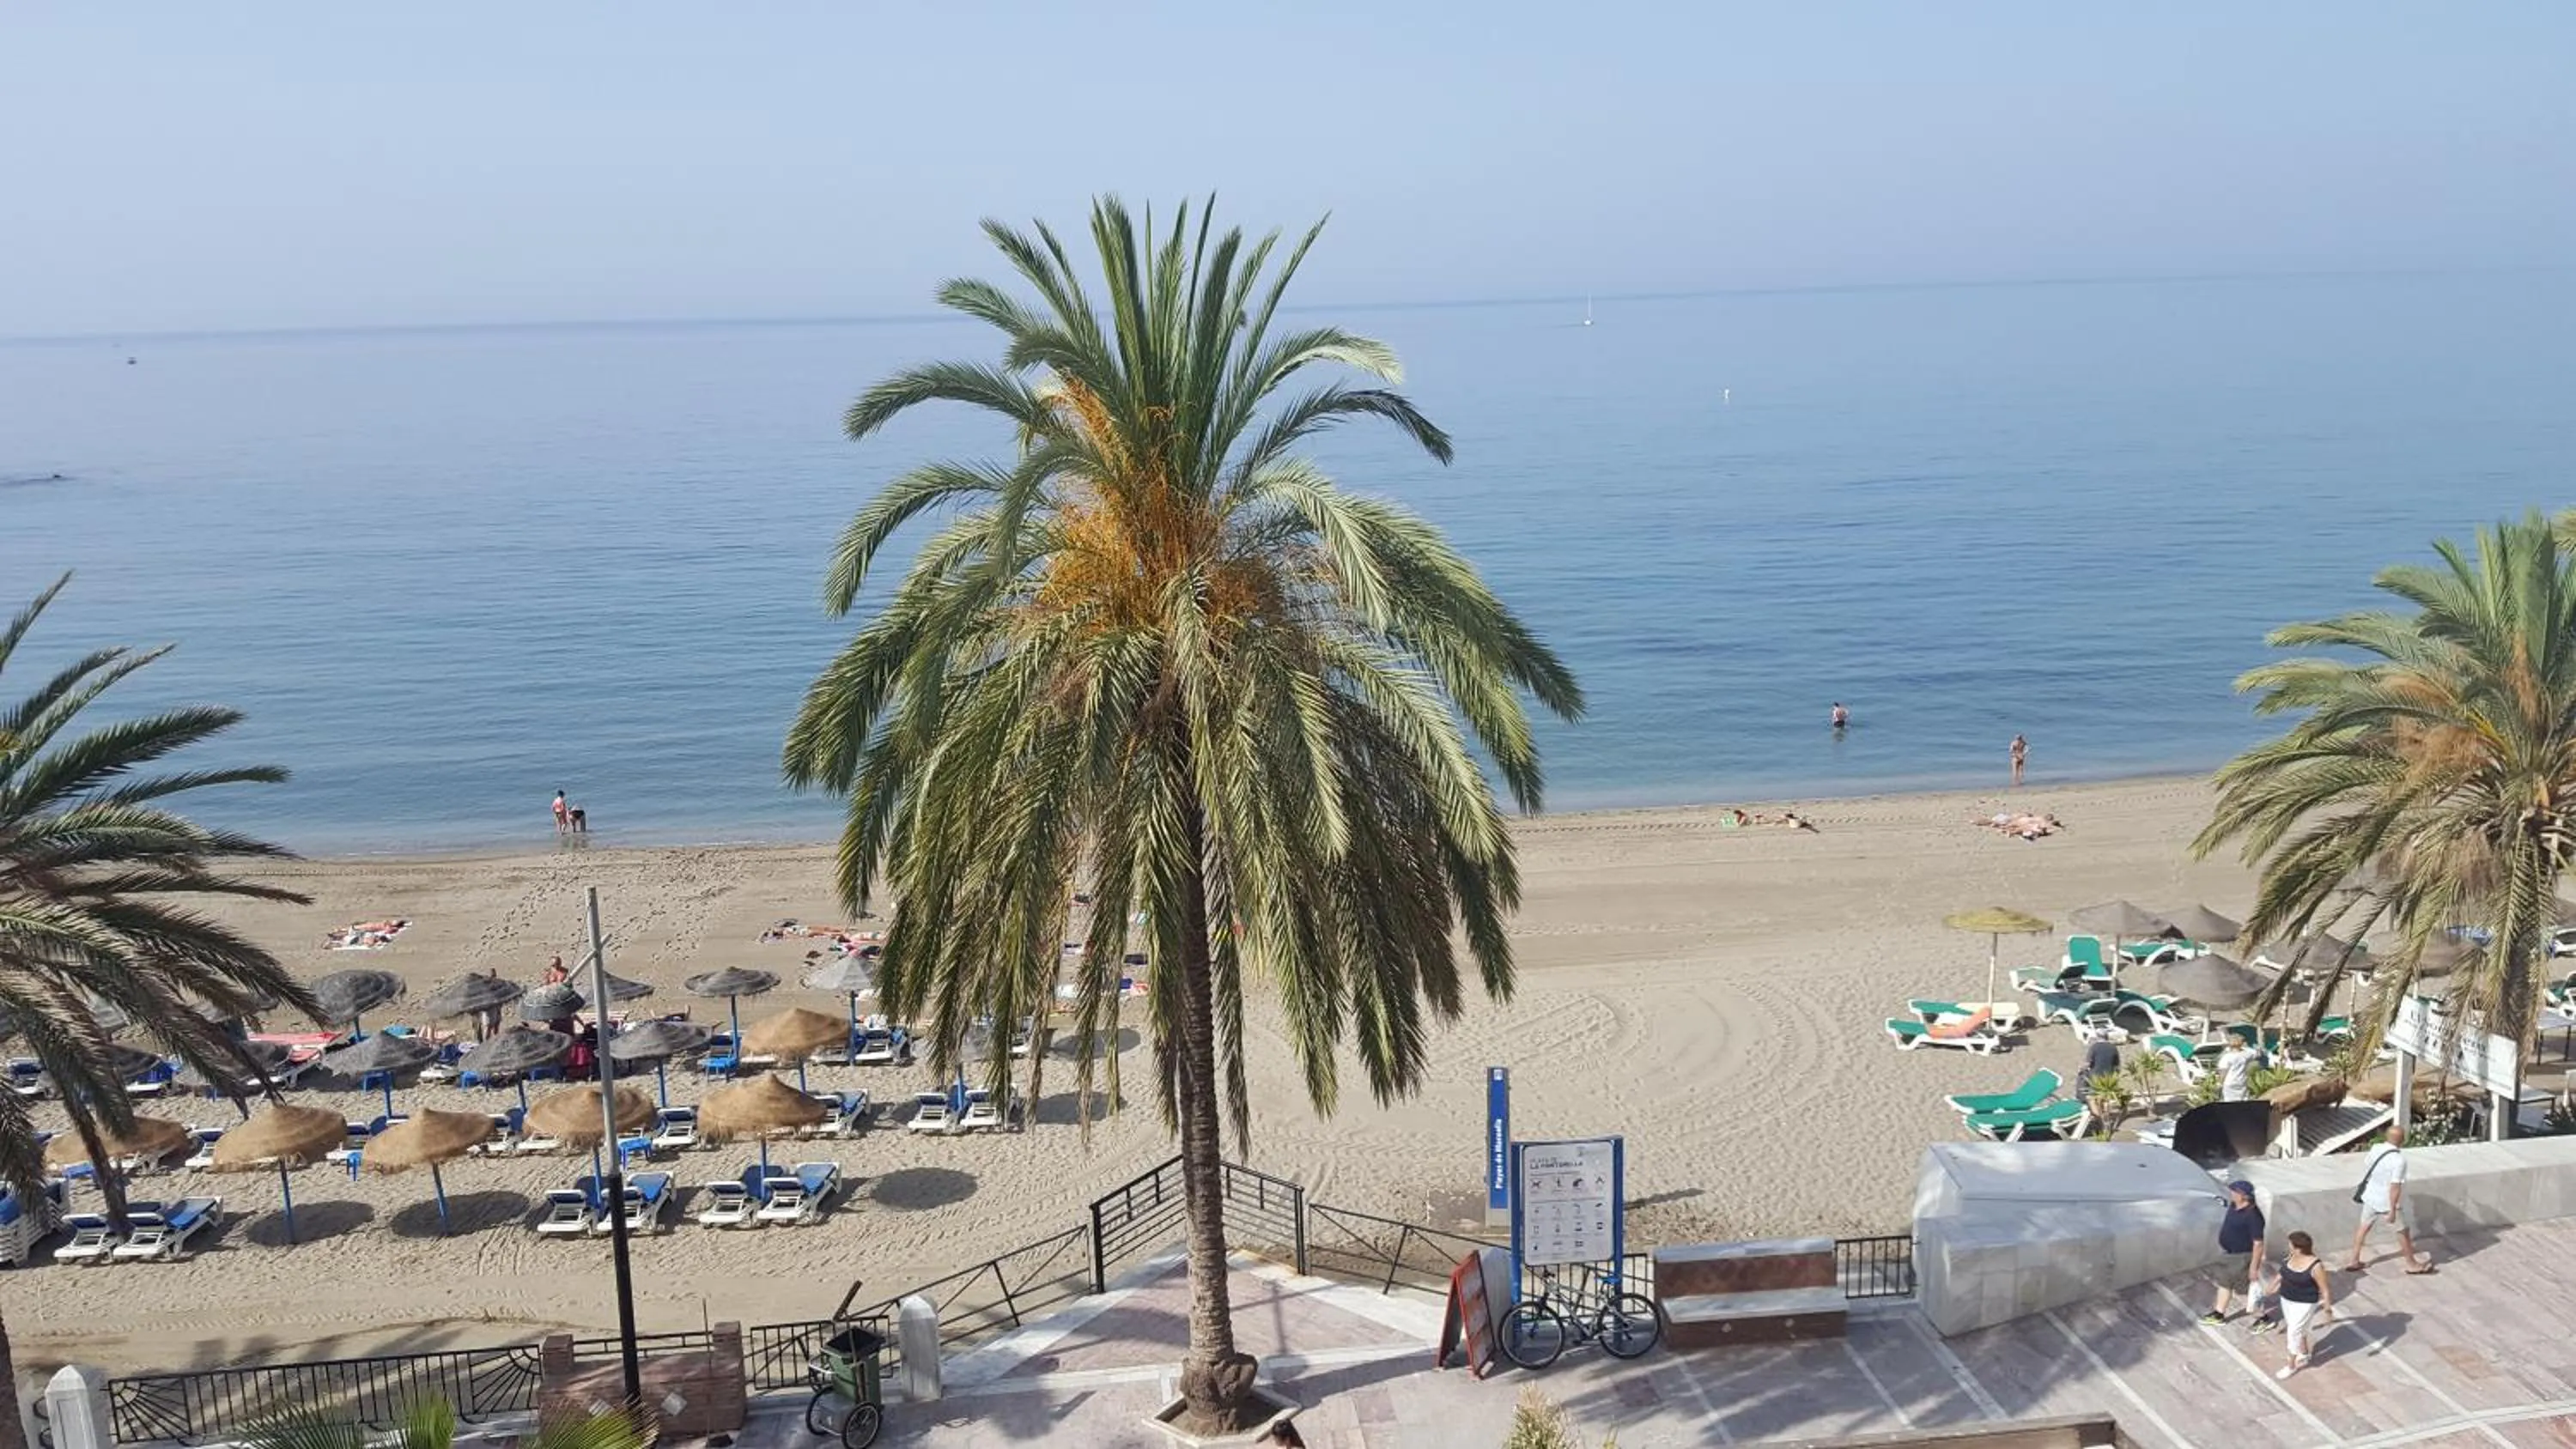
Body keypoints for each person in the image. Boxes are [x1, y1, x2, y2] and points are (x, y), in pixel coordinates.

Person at [2346, 1123, 2433, 1274]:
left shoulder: (2376, 1148)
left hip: (2370, 1196)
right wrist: (2392, 1210)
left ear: (2386, 1136)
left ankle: (2354, 1260)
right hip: (2386, 1201)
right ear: (2402, 1140)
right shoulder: (2399, 1160)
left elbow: (2368, 1165)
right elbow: (2395, 1187)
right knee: (2402, 1232)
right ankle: (2411, 1264)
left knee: (2363, 1227)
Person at [2202, 1179, 2267, 1327]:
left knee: (2243, 1291)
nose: (2231, 1193)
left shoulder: (2253, 1216)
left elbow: (2258, 1243)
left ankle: (2262, 1317)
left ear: (2244, 1196)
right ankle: (2219, 1314)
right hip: (2229, 1255)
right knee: (2224, 1283)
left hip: (2241, 1257)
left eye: (2234, 1191)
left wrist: (2253, 1267)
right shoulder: (2234, 1205)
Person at [2271, 1231, 2333, 1377]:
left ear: (2298, 1248)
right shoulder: (2292, 1257)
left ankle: (2291, 1365)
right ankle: (2304, 1352)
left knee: (2293, 1332)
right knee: (2299, 1327)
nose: (2289, 1247)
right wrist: (2273, 1284)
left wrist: (2327, 1310)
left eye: (2290, 1245)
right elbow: (2283, 1271)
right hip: (2287, 1298)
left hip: (2305, 1303)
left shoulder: (2316, 1266)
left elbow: (2324, 1289)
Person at [2216, 1037, 2263, 1103]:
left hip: (2230, 1083)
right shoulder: (2246, 1054)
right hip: (2242, 1081)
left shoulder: (2227, 1057)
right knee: (2243, 1101)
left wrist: (2220, 1083)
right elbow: (2258, 1054)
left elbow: (2223, 1072)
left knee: (2230, 1103)